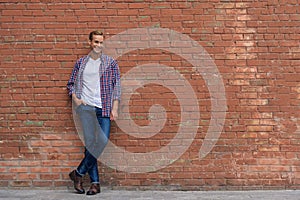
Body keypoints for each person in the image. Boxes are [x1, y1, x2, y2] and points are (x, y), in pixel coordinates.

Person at [67, 30, 121, 195]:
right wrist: (76, 99)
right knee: (90, 145)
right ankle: (95, 184)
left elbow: (116, 87)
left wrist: (115, 107)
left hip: (103, 108)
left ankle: (78, 173)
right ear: (90, 43)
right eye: (96, 42)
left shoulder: (110, 63)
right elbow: (71, 84)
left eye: (101, 42)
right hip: (86, 108)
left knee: (102, 141)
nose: (98, 45)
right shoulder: (81, 63)